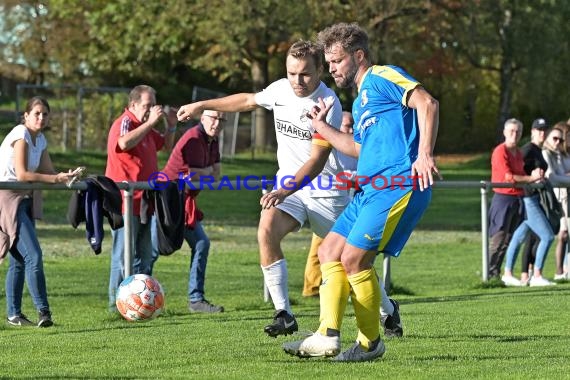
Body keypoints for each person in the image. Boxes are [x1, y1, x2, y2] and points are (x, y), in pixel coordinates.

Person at [283, 22, 440, 362]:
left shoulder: (383, 75)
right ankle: (327, 335)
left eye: (336, 61)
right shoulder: (363, 98)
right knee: (329, 253)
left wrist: (425, 154)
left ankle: (370, 344)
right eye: (329, 63)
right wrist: (321, 127)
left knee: (354, 261)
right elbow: (358, 148)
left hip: (397, 185)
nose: (331, 69)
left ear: (358, 55)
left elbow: (428, 104)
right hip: (370, 191)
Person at [177, 40, 350, 336]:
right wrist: (202, 105)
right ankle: (284, 313)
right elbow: (246, 101)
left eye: (305, 74)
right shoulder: (281, 89)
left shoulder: (329, 103)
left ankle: (386, 310)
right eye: (292, 73)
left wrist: (284, 190)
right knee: (266, 228)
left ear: (320, 70)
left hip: (326, 192)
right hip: (289, 189)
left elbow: (317, 162)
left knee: (349, 262)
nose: (297, 81)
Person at [0, 96, 76, 327]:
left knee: (20, 259)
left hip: (25, 198)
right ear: (26, 115)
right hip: (6, 199)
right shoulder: (21, 134)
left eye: (45, 114)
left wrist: (68, 176)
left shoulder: (40, 139)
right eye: (37, 113)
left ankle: (14, 314)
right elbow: (23, 174)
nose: (41, 118)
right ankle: (44, 313)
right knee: (34, 255)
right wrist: (55, 177)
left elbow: (49, 171)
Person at [105, 85, 177, 311]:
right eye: (147, 105)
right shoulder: (125, 122)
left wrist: (171, 126)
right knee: (122, 257)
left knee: (145, 257)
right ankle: (116, 306)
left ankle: (141, 305)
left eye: (153, 105)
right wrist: (150, 123)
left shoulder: (145, 127)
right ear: (133, 105)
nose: (151, 110)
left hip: (146, 202)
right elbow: (124, 143)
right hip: (125, 202)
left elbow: (165, 146)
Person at [150, 110, 225, 313]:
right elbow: (189, 174)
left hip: (186, 202)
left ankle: (196, 300)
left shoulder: (213, 140)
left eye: (221, 119)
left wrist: (204, 173)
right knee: (154, 251)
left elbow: (216, 174)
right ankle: (135, 298)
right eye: (213, 118)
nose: (217, 123)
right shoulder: (193, 137)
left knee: (202, 243)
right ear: (202, 118)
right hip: (167, 200)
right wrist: (204, 172)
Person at [303, 111, 358, 297]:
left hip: (352, 200)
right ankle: (312, 287)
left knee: (349, 246)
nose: (350, 128)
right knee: (319, 245)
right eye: (346, 125)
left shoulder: (355, 143)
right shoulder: (330, 142)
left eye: (352, 125)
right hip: (328, 200)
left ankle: (347, 285)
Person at [501, 118, 555, 287]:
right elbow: (515, 171)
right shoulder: (527, 150)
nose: (542, 133)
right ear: (532, 132)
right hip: (526, 197)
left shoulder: (537, 150)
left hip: (531, 196)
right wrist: (532, 177)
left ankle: (508, 273)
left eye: (544, 130)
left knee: (519, 236)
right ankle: (537, 274)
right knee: (547, 236)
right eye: (539, 130)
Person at [487, 119, 538, 280]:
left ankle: (495, 273)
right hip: (503, 198)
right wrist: (531, 179)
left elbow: (519, 174)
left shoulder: (517, 152)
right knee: (498, 237)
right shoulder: (500, 151)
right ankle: (488, 272)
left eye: (518, 132)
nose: (514, 134)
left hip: (517, 197)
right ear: (504, 132)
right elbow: (508, 177)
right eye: (511, 131)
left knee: (508, 238)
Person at [542, 122, 570, 280]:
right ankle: (558, 271)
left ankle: (564, 270)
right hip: (559, 197)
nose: (558, 142)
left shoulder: (561, 154)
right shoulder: (548, 154)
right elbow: (553, 177)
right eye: (555, 139)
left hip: (565, 193)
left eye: (560, 140)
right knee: (561, 233)